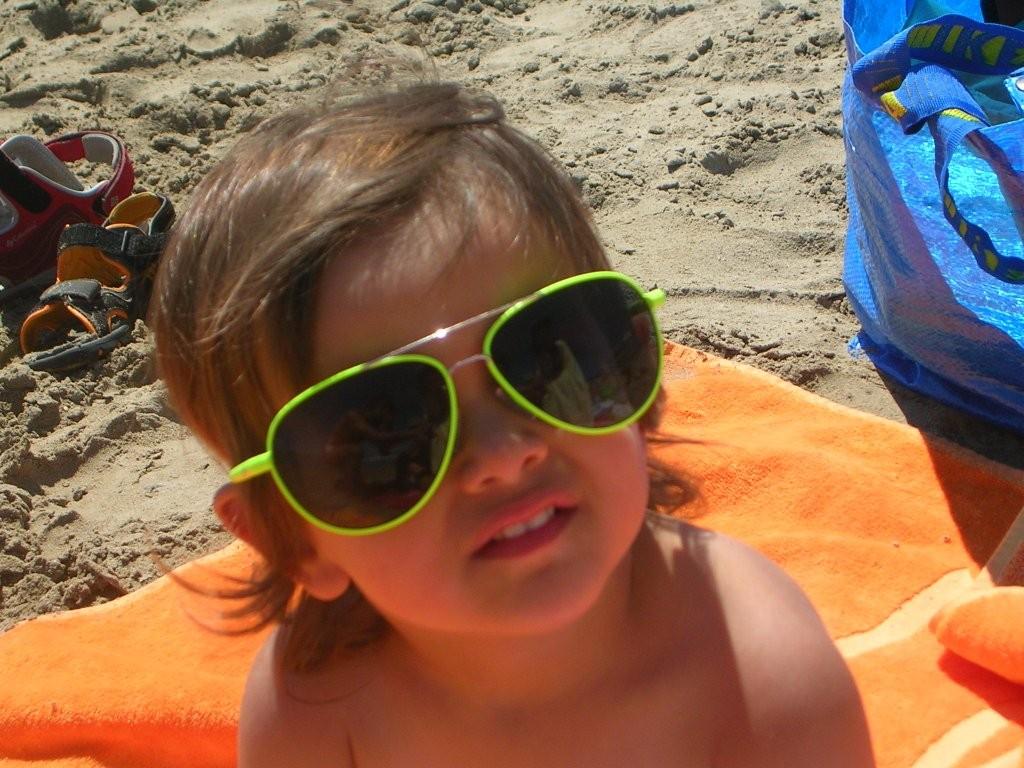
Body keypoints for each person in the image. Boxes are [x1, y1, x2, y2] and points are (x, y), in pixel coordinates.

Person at [149, 60, 875, 767]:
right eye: (387, 432)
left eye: (548, 359)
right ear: (291, 540)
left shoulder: (756, 673)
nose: (502, 454)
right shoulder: (314, 709)